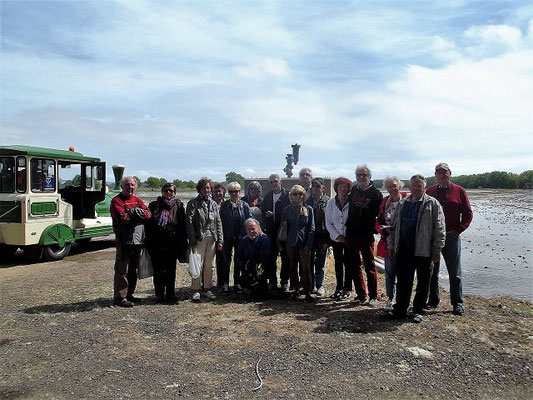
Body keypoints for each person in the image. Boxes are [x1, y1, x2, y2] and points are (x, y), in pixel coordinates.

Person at [383, 174, 445, 323]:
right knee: (404, 282)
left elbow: (440, 228)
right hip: (404, 249)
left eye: (419, 185)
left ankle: (418, 310)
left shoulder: (433, 204)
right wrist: (391, 245)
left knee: (423, 282)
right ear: (410, 187)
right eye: (414, 185)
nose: (416, 188)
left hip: (424, 250)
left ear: (425, 187)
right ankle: (400, 310)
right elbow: (395, 227)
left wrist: (437, 250)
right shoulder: (403, 203)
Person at [426, 162, 473, 315]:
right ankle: (433, 300)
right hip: (432, 238)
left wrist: (458, 230)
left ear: (450, 173)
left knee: (455, 272)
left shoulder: (459, 191)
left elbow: (468, 214)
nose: (442, 175)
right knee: (432, 271)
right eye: (438, 173)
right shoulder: (429, 191)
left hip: (451, 237)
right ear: (435, 175)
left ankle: (457, 303)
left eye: (444, 172)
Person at [110, 176, 152, 307]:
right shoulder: (116, 200)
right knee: (122, 270)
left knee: (133, 269)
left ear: (136, 187)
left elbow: (148, 215)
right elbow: (122, 218)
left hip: (137, 241)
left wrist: (135, 213)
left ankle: (130, 295)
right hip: (123, 240)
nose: (130, 187)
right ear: (122, 186)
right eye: (127, 185)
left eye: (132, 185)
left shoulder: (138, 200)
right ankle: (119, 298)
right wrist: (135, 213)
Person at [345, 164, 383, 306]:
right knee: (354, 265)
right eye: (358, 175)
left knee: (369, 265)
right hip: (352, 233)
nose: (361, 177)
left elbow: (381, 215)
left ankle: (373, 296)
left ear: (369, 177)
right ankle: (361, 294)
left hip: (366, 234)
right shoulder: (353, 190)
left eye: (364, 175)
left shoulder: (376, 193)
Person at [146, 183, 188, 303]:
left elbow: (182, 225)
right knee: (158, 270)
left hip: (172, 242)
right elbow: (148, 225)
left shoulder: (178, 205)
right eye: (165, 190)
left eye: (170, 191)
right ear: (162, 192)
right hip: (156, 242)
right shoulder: (154, 205)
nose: (168, 193)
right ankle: (159, 295)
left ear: (174, 193)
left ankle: (170, 294)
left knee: (171, 270)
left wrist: (183, 244)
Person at [185, 178, 223, 302]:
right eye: (204, 188)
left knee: (210, 265)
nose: (206, 190)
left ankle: (207, 288)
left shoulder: (213, 203)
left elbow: (218, 222)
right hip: (199, 238)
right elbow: (189, 222)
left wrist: (220, 240)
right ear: (199, 189)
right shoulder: (193, 203)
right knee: (197, 265)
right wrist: (192, 240)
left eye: (208, 188)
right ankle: (195, 290)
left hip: (212, 238)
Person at [376, 177, 408, 310]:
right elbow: (378, 221)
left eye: (394, 186)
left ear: (400, 186)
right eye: (389, 186)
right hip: (388, 243)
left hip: (403, 244)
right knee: (389, 274)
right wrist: (383, 231)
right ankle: (390, 298)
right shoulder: (385, 202)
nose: (392, 189)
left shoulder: (407, 202)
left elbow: (411, 223)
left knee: (403, 274)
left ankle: (402, 301)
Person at [279, 185, 315, 302]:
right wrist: (279, 243)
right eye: (295, 194)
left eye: (300, 194)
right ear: (291, 196)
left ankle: (307, 291)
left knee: (306, 268)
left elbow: (312, 228)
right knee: (292, 267)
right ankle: (296, 290)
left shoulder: (308, 209)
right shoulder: (286, 210)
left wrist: (309, 244)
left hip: (304, 243)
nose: (298, 196)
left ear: (303, 196)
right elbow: (282, 227)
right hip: (291, 242)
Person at [219, 182, 251, 293]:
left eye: (236, 191)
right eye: (231, 192)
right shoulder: (224, 205)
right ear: (228, 193)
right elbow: (220, 222)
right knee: (226, 261)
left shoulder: (244, 205)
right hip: (227, 237)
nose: (234, 194)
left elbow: (249, 221)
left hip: (241, 237)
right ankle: (225, 283)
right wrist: (221, 238)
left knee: (238, 261)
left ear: (239, 191)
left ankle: (237, 282)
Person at [261, 173, 291, 291]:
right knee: (271, 258)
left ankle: (284, 282)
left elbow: (289, 213)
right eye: (271, 182)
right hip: (271, 231)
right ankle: (272, 282)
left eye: (276, 181)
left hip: (283, 230)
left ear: (280, 182)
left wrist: (275, 215)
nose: (274, 184)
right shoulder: (267, 196)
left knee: (285, 258)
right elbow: (262, 211)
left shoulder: (287, 195)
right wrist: (266, 214)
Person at [325, 177, 353, 301]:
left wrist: (348, 236)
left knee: (349, 263)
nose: (343, 188)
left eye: (345, 186)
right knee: (338, 263)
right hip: (336, 239)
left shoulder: (352, 202)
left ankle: (347, 289)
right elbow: (328, 222)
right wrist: (337, 236)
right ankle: (339, 288)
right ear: (336, 188)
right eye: (340, 186)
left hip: (349, 239)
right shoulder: (331, 203)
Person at [305, 178, 330, 296]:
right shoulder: (307, 201)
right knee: (309, 262)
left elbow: (330, 220)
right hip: (310, 236)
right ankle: (312, 285)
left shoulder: (328, 201)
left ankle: (320, 286)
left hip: (323, 236)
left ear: (323, 188)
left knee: (321, 262)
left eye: (318, 186)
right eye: (313, 186)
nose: (315, 188)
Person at [235, 218, 271, 297]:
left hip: (260, 268)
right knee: (243, 280)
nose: (251, 231)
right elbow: (238, 256)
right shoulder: (243, 241)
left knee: (262, 294)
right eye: (249, 229)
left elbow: (265, 256)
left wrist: (256, 266)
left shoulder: (264, 239)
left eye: (253, 229)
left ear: (258, 228)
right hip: (247, 268)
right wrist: (244, 264)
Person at [212, 183, 226, 287]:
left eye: (219, 191)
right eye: (215, 191)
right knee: (208, 261)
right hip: (211, 236)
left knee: (222, 260)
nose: (218, 193)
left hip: (223, 236)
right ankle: (206, 282)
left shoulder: (227, 204)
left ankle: (221, 282)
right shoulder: (209, 204)